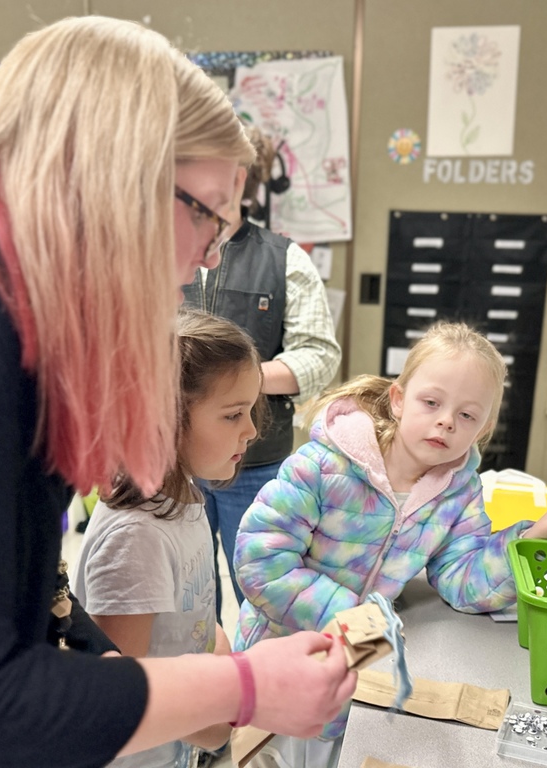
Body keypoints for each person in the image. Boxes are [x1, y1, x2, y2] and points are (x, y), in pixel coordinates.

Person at [0, 16, 355, 768]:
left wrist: (99, 668)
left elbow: (19, 586)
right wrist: (240, 688)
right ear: (115, 176)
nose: (206, 260)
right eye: (206, 213)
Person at [232, 321, 547, 768]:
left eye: (467, 415)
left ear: (484, 426)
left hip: (358, 666)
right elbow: (260, 561)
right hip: (280, 658)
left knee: (332, 749)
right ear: (399, 400)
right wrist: (357, 618)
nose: (446, 421)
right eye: (432, 402)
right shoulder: (323, 466)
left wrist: (530, 540)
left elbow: (464, 581)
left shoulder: (457, 490)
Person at [73, 309, 264, 767]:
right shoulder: (137, 538)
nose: (252, 430)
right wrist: (216, 722)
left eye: (251, 411)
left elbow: (194, 621)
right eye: (233, 414)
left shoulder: (186, 497)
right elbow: (119, 700)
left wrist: (229, 672)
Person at [183, 123, 341, 618]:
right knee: (185, 594)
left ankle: (260, 681)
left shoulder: (284, 258)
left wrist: (234, 385)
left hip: (253, 459)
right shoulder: (165, 250)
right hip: (172, 459)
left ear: (243, 177)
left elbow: (319, 356)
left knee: (260, 586)